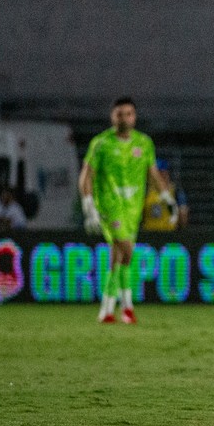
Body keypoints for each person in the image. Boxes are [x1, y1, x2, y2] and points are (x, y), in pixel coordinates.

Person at [79, 97, 176, 324]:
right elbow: (86, 176)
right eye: (120, 114)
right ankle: (128, 306)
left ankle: (106, 307)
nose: (124, 118)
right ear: (113, 117)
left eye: (129, 113)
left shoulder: (144, 143)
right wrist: (88, 206)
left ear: (135, 117)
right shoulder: (101, 143)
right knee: (126, 249)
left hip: (133, 208)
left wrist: (168, 201)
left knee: (119, 255)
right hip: (110, 206)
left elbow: (153, 174)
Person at [142, 158, 189, 230]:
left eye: (160, 173)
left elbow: (183, 215)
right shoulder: (145, 191)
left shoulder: (176, 191)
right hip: (148, 234)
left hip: (169, 234)